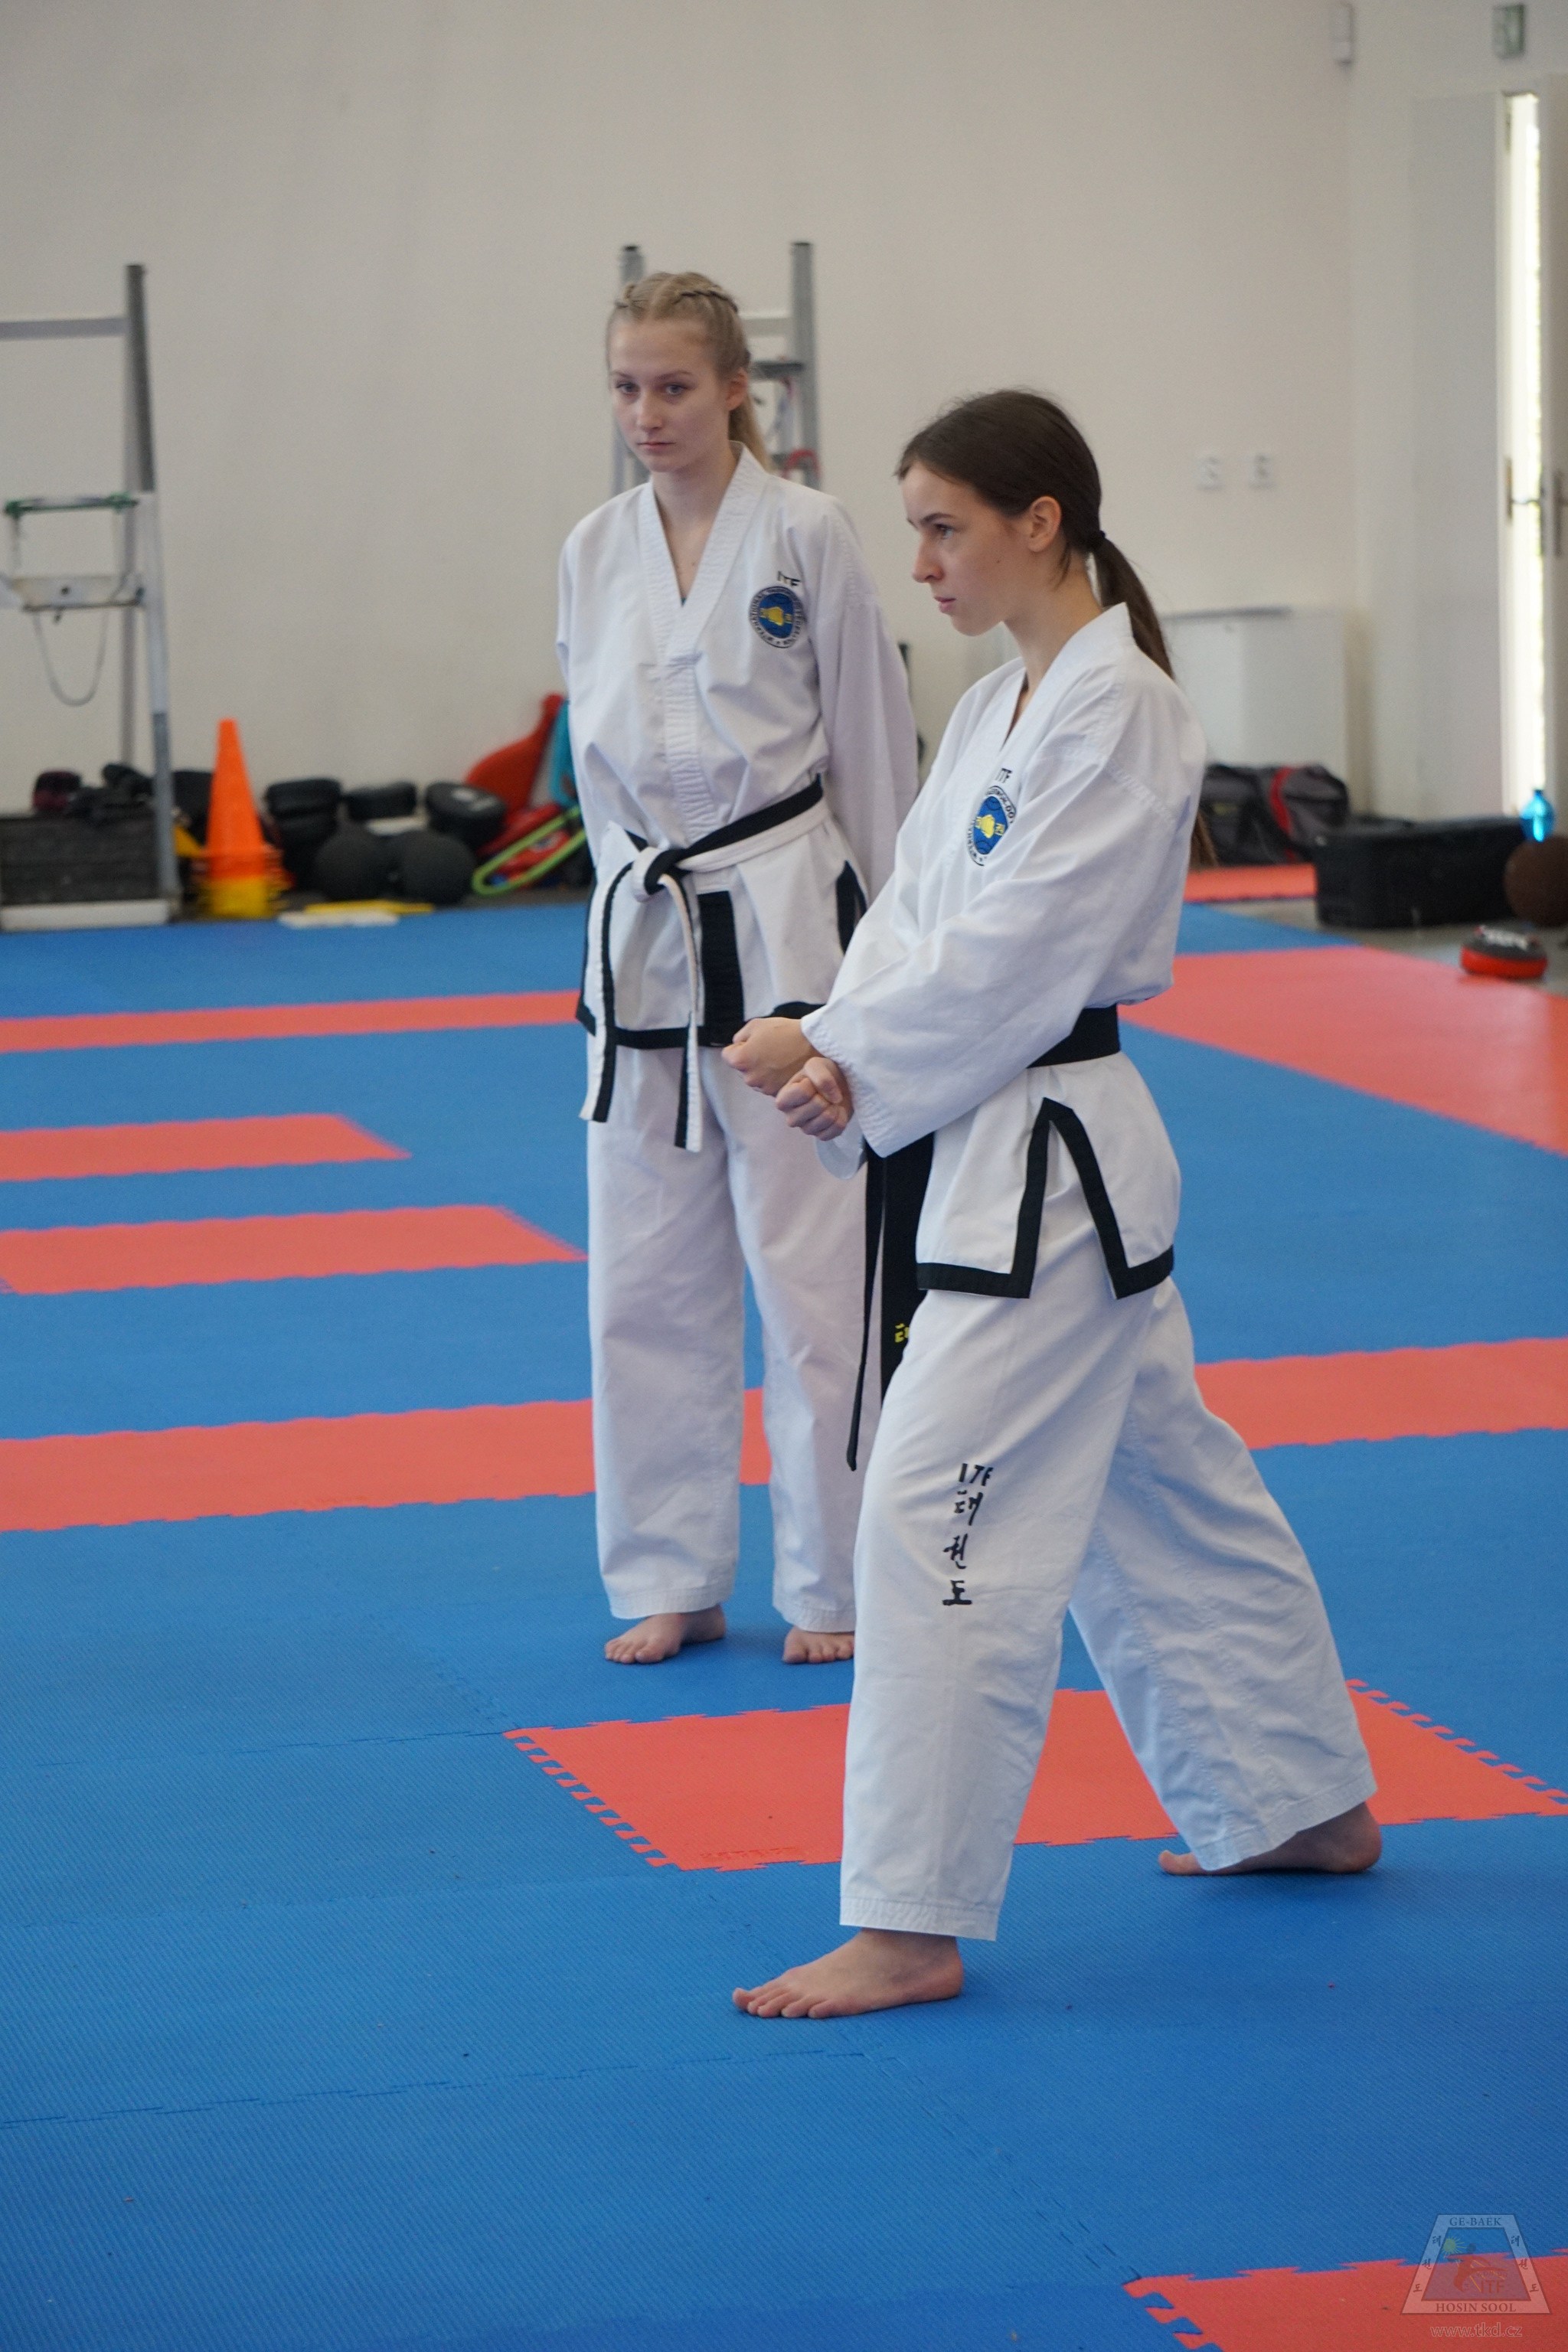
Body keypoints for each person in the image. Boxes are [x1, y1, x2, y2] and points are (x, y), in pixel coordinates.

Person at [724, 390, 1379, 2016]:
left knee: (927, 1511)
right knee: (1163, 1496)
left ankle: (910, 1921)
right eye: (914, 530)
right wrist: (832, 1035)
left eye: (945, 527)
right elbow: (917, 923)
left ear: (1041, 522)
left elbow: (1026, 955)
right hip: (996, 1150)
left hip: (1047, 1182)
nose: (923, 563)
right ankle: (1298, 1802)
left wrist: (846, 1058)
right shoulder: (999, 708)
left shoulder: (1124, 710)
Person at [557, 271, 919, 1666]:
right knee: (642, 1278)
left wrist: (887, 960)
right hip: (646, 937)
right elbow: (597, 776)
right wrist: (622, 907)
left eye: (673, 386)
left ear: (733, 392)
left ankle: (832, 1583)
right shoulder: (593, 549)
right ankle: (673, 1572)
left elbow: (874, 752)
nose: (647, 413)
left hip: (789, 927)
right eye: (626, 387)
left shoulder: (807, 532)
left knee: (813, 1275)